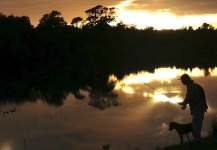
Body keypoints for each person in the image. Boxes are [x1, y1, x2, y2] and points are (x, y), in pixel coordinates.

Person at [178, 73, 208, 144]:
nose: (181, 81)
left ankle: (198, 141)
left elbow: (188, 97)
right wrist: (184, 104)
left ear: (186, 80)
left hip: (198, 107)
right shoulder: (192, 86)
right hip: (199, 107)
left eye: (182, 80)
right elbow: (191, 98)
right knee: (197, 125)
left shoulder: (191, 87)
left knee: (195, 125)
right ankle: (198, 140)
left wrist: (184, 103)